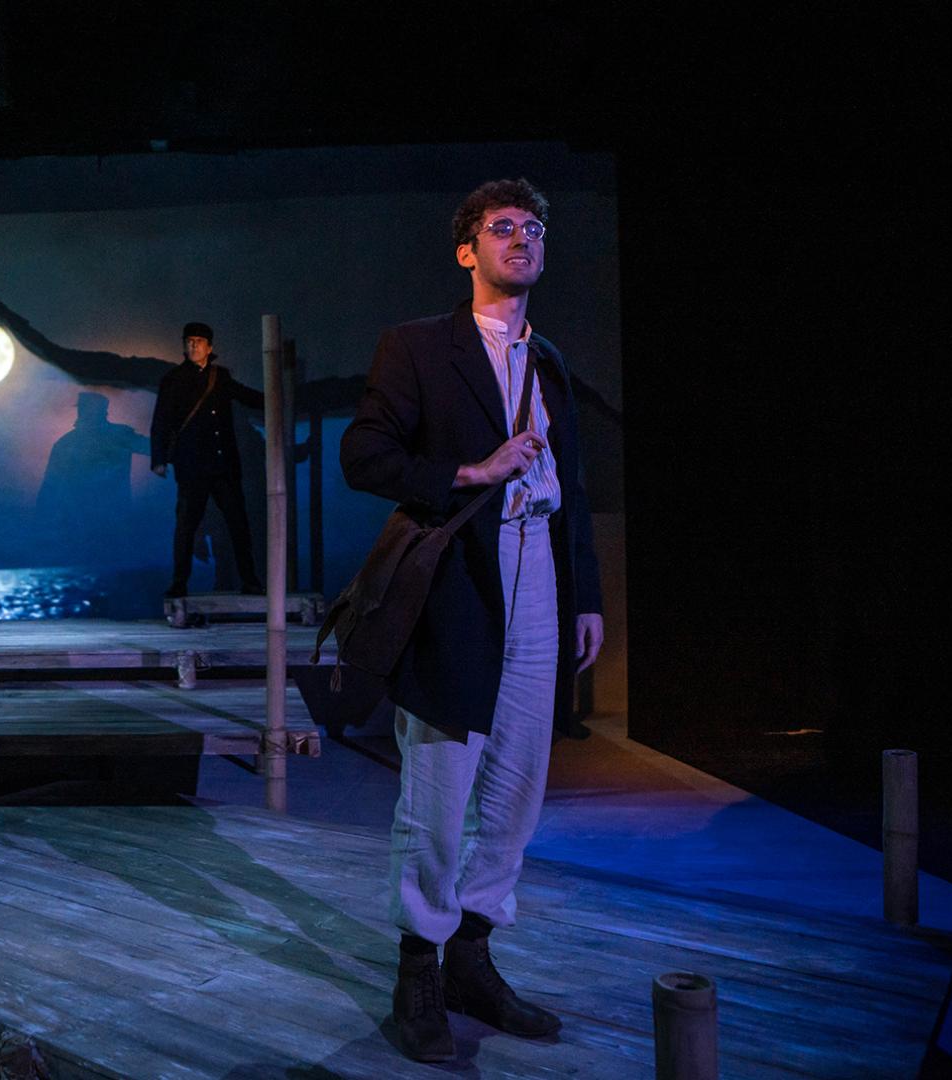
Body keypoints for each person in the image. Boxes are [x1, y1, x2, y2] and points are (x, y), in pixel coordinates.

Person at [340, 178, 604, 1061]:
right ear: (469, 251)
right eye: (503, 228)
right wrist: (472, 471)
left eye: (534, 227)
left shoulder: (550, 359)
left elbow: (574, 492)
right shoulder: (419, 347)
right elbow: (365, 455)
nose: (523, 238)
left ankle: (474, 960)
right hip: (458, 581)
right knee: (442, 787)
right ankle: (419, 965)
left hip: (539, 578)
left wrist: (586, 595)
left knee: (519, 784)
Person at [149, 321, 266, 598]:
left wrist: (278, 394)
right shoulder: (173, 379)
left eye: (199, 341)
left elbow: (248, 397)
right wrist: (159, 458)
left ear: (209, 347)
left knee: (238, 524)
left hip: (223, 465)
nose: (193, 345)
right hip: (192, 466)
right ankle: (179, 583)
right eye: (189, 341)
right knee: (187, 527)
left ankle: (250, 580)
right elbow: (161, 421)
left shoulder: (220, 377)